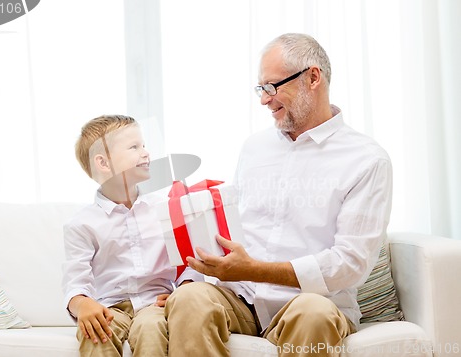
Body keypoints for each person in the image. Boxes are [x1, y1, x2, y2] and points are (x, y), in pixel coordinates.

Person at [165, 33, 393, 356]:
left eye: (271, 87)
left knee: (314, 315)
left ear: (313, 78)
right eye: (260, 89)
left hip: (310, 302)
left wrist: (254, 269)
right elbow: (231, 229)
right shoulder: (254, 148)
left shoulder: (367, 160)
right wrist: (193, 276)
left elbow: (349, 264)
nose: (263, 100)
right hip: (240, 297)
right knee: (189, 299)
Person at [62, 115, 202, 357]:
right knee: (95, 333)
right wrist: (82, 304)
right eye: (134, 147)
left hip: (154, 304)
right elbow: (75, 283)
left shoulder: (165, 208)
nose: (146, 153)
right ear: (104, 163)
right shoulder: (81, 224)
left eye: (144, 145)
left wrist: (184, 289)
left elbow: (189, 262)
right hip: (109, 308)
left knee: (152, 329)